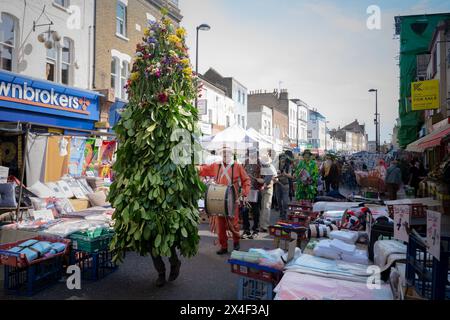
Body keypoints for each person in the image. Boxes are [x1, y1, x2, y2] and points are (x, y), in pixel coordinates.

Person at [199, 146, 251, 255]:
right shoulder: (216, 165)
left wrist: (244, 192)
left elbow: (246, 180)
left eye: (227, 154)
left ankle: (236, 242)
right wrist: (196, 168)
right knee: (220, 225)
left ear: (231, 154)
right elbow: (204, 170)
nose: (225, 156)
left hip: (232, 199)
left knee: (234, 224)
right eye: (223, 154)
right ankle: (224, 246)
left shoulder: (237, 166)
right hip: (219, 199)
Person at [241, 148, 263, 239]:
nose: (251, 156)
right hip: (246, 191)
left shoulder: (261, 164)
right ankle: (246, 230)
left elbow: (265, 179)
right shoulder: (245, 163)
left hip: (256, 191)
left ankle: (255, 230)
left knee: (255, 212)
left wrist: (261, 180)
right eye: (250, 154)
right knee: (244, 211)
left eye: (253, 154)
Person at [259, 153, 277, 233]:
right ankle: (261, 224)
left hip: (268, 189)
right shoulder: (259, 167)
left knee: (266, 207)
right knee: (261, 207)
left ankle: (264, 225)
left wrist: (272, 181)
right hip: (260, 189)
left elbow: (276, 179)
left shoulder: (272, 167)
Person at [277, 151, 295, 220]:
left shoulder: (288, 166)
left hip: (285, 185)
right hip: (278, 185)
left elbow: (291, 176)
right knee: (278, 201)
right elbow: (274, 175)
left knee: (285, 201)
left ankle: (284, 213)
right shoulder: (277, 165)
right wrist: (277, 175)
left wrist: (285, 174)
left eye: (284, 157)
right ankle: (281, 212)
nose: (282, 159)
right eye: (281, 158)